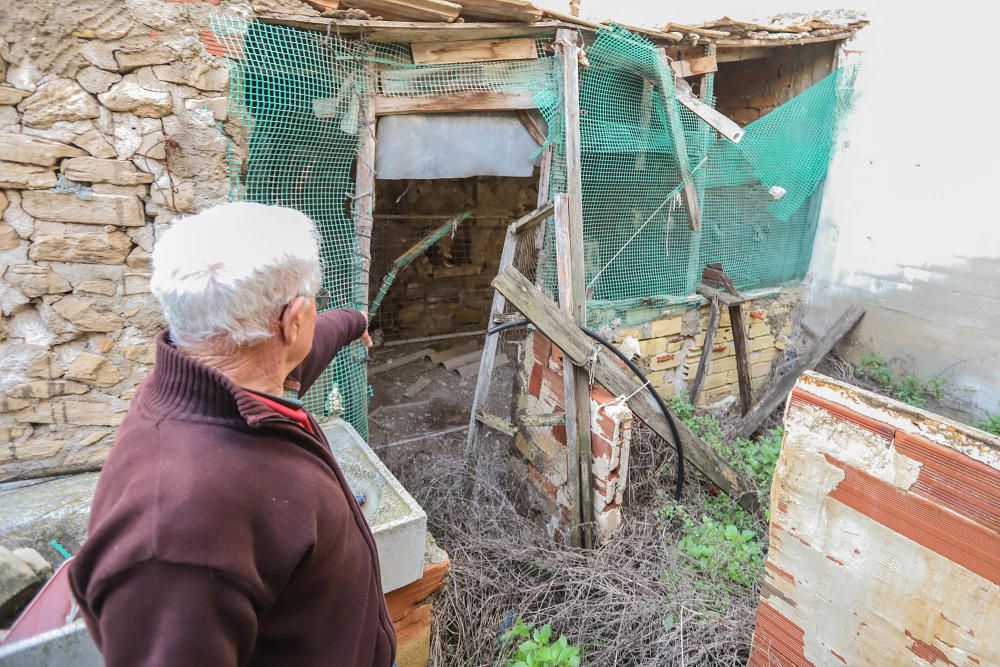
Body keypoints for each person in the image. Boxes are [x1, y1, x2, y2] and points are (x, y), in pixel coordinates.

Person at [69, 202, 395, 666]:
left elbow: (309, 344)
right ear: (292, 321)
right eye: (310, 311)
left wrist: (354, 322)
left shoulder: (228, 372)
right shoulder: (175, 538)